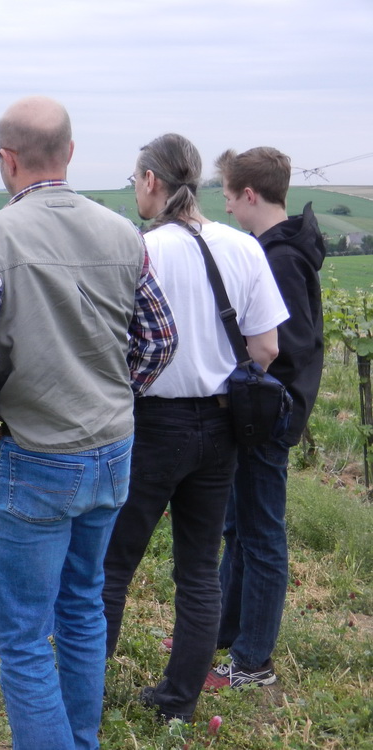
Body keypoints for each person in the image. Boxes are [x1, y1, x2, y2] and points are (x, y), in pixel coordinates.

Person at [0, 95, 177, 750]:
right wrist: (113, 393)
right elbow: (160, 339)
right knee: (82, 608)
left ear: (8, 160)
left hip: (39, 455)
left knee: (23, 635)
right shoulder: (122, 233)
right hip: (112, 451)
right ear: (70, 153)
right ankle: (82, 740)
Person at [101, 134, 288, 723]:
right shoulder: (243, 247)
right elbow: (266, 347)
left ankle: (83, 692)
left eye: (136, 179)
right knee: (199, 570)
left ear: (152, 181)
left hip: (153, 422)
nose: (135, 189)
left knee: (112, 567)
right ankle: (178, 703)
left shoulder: (139, 251)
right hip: (223, 425)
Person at [206, 147, 326, 689]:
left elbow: (290, 347)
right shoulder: (276, 250)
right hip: (258, 412)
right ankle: (226, 635)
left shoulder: (278, 259)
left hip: (265, 415)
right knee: (239, 527)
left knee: (261, 535)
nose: (227, 208)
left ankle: (254, 662)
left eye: (230, 197)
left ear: (249, 194)